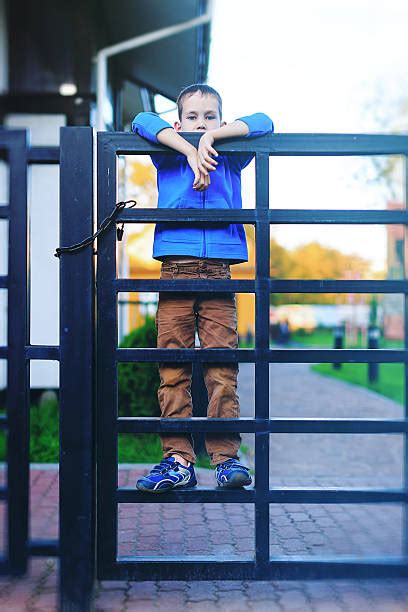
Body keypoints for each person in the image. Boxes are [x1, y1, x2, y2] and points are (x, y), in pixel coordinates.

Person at [131, 84, 274, 493]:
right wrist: (188, 149)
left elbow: (265, 122)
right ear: (178, 123)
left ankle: (226, 459)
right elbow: (141, 120)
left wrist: (212, 140)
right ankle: (177, 460)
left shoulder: (229, 156)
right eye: (192, 117)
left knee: (221, 368)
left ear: (222, 121)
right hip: (175, 269)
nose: (201, 123)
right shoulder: (169, 153)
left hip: (219, 274)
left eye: (210, 117)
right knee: (173, 367)